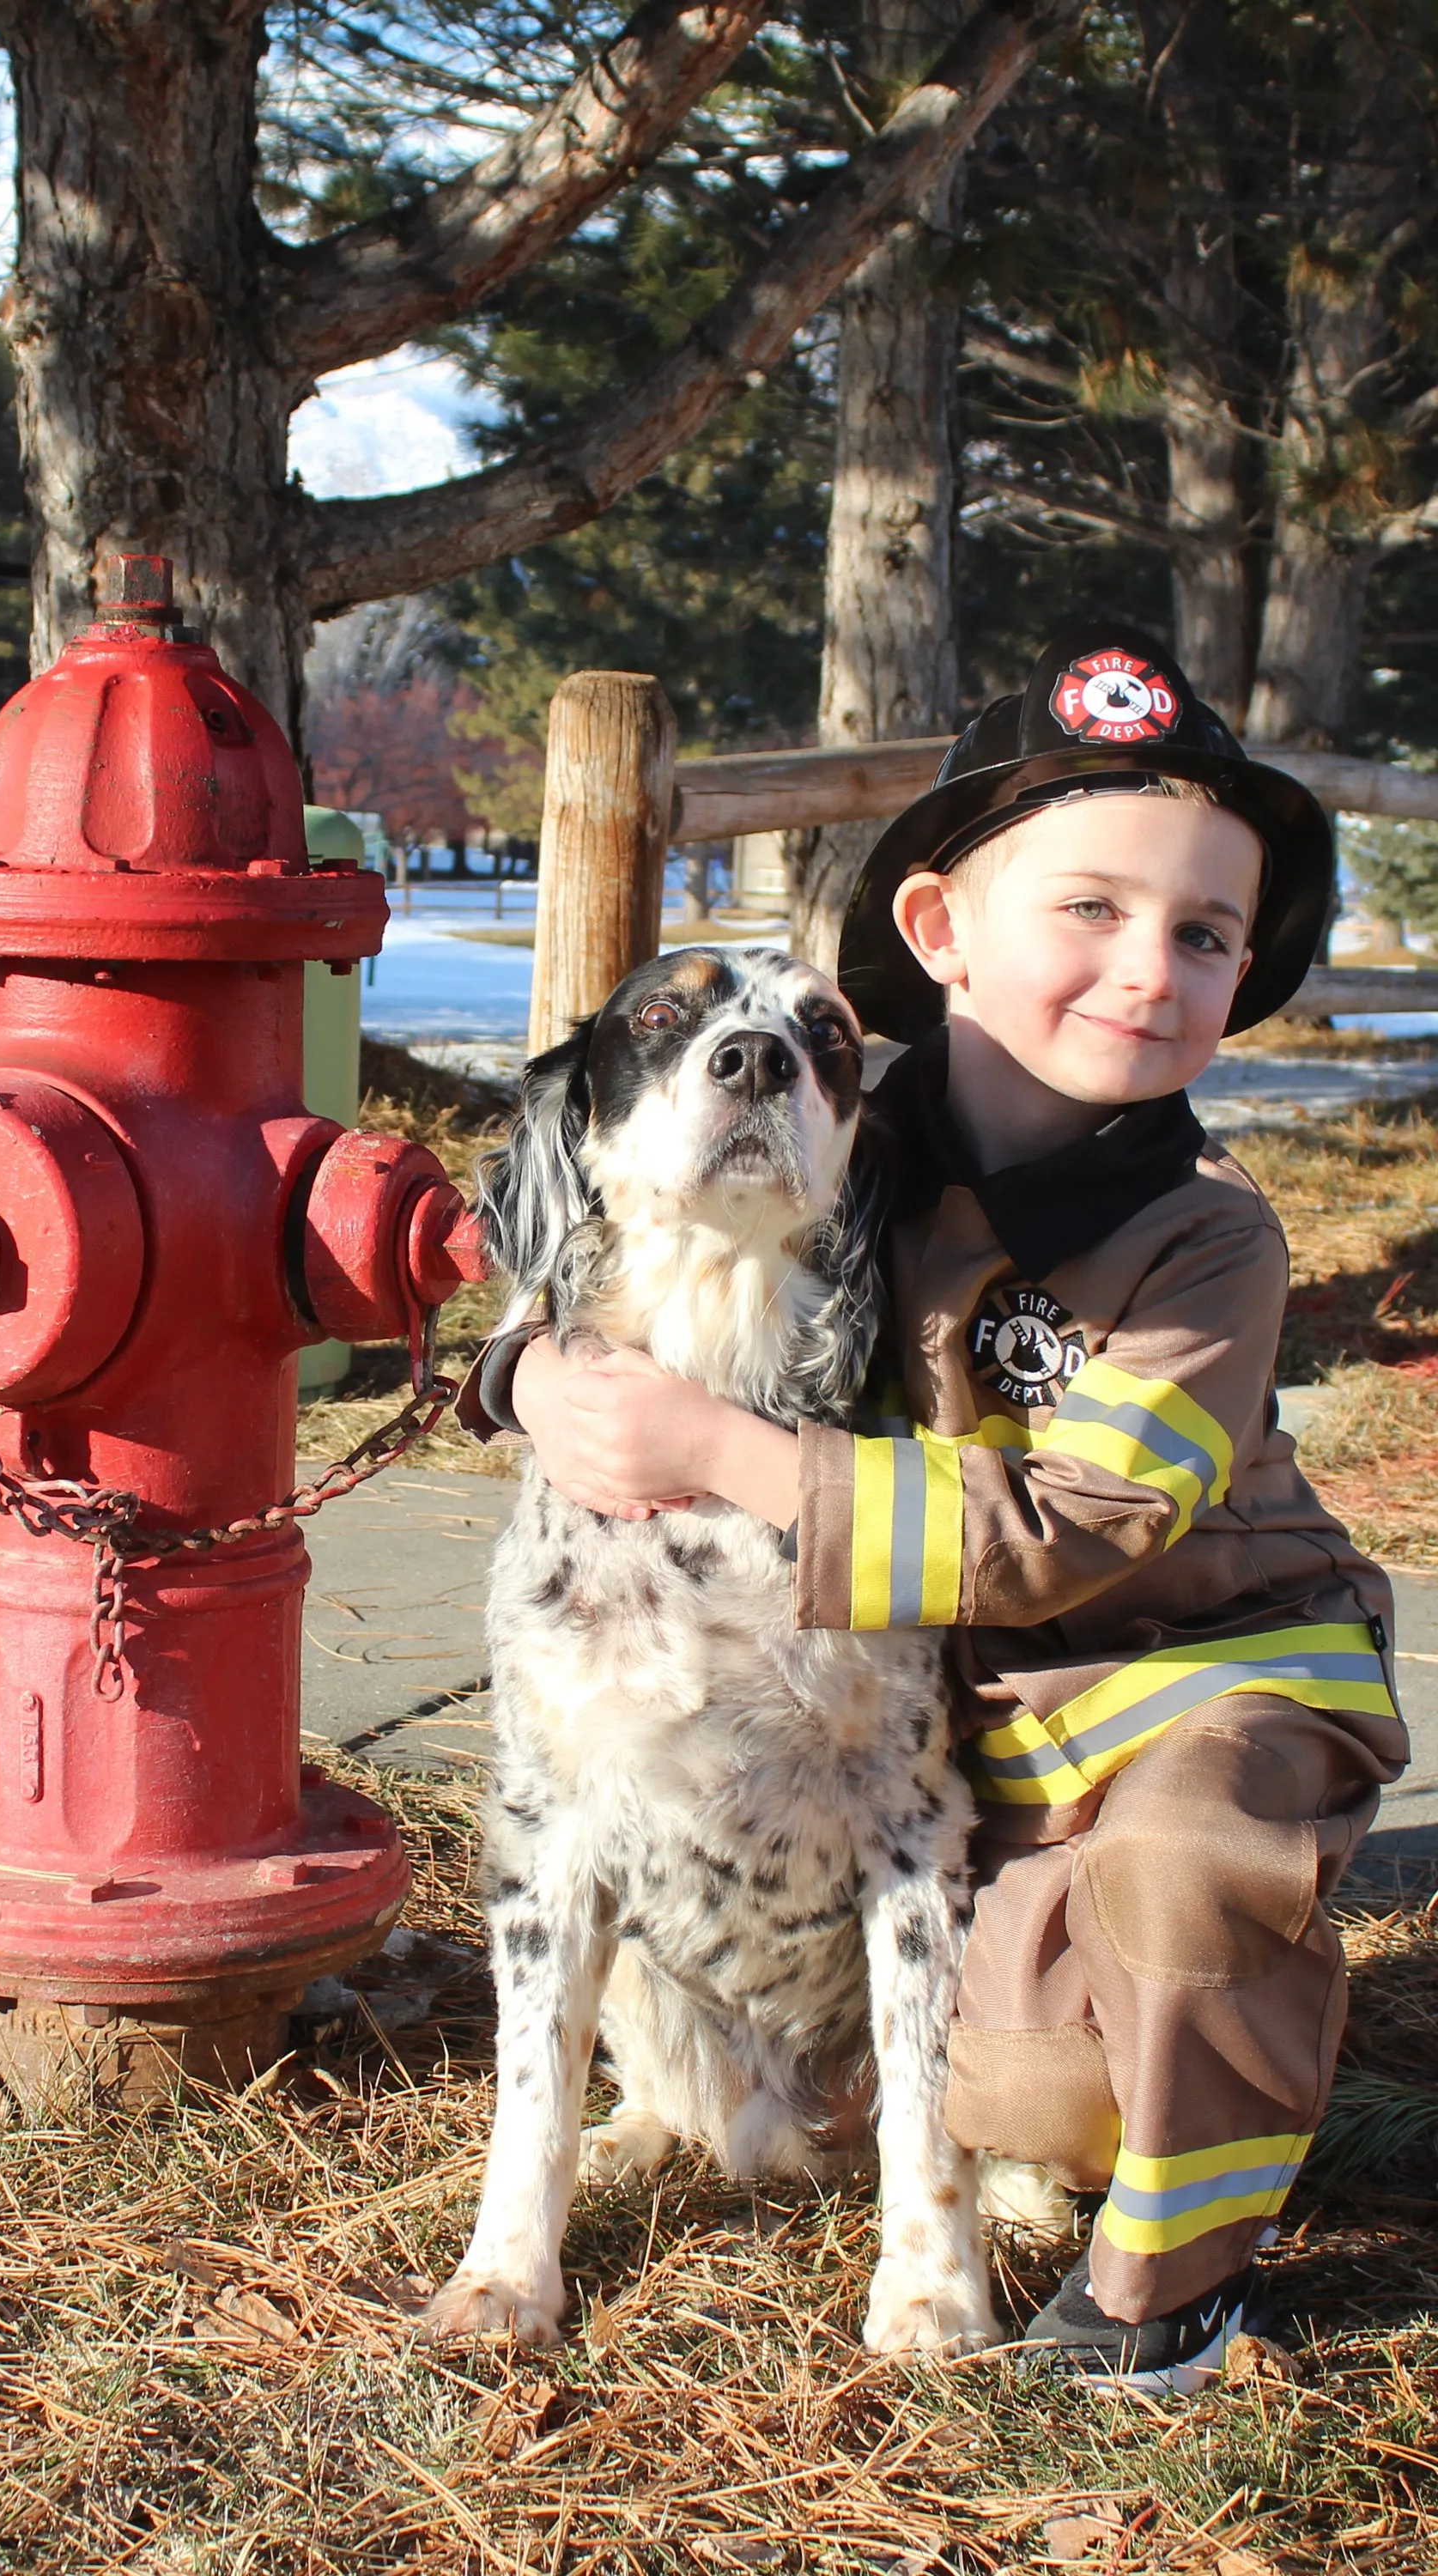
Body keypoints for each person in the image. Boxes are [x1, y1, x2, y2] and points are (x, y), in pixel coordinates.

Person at [481, 622, 1407, 2394]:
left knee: (1181, 1875)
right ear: (937, 933)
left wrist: (704, 1448)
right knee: (1008, 2069)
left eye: (1201, 934)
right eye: (1088, 907)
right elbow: (613, 1217)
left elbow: (1052, 1533)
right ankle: (1086, 2033)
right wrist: (519, 1376)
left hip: (1202, 1678)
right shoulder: (846, 1105)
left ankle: (1174, 2277)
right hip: (984, 1735)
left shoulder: (1205, 1234)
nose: (1145, 967)